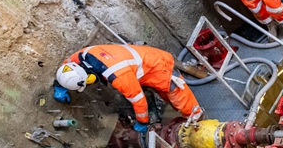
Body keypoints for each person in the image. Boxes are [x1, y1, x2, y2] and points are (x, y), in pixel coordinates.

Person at [54, 43, 202, 131]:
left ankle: (197, 118)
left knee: (176, 94)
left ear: (88, 75)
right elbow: (67, 67)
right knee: (166, 96)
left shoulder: (118, 76)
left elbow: (139, 101)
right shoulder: (80, 56)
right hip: (140, 61)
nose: (89, 84)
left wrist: (142, 123)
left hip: (158, 66)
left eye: (87, 82)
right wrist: (60, 86)